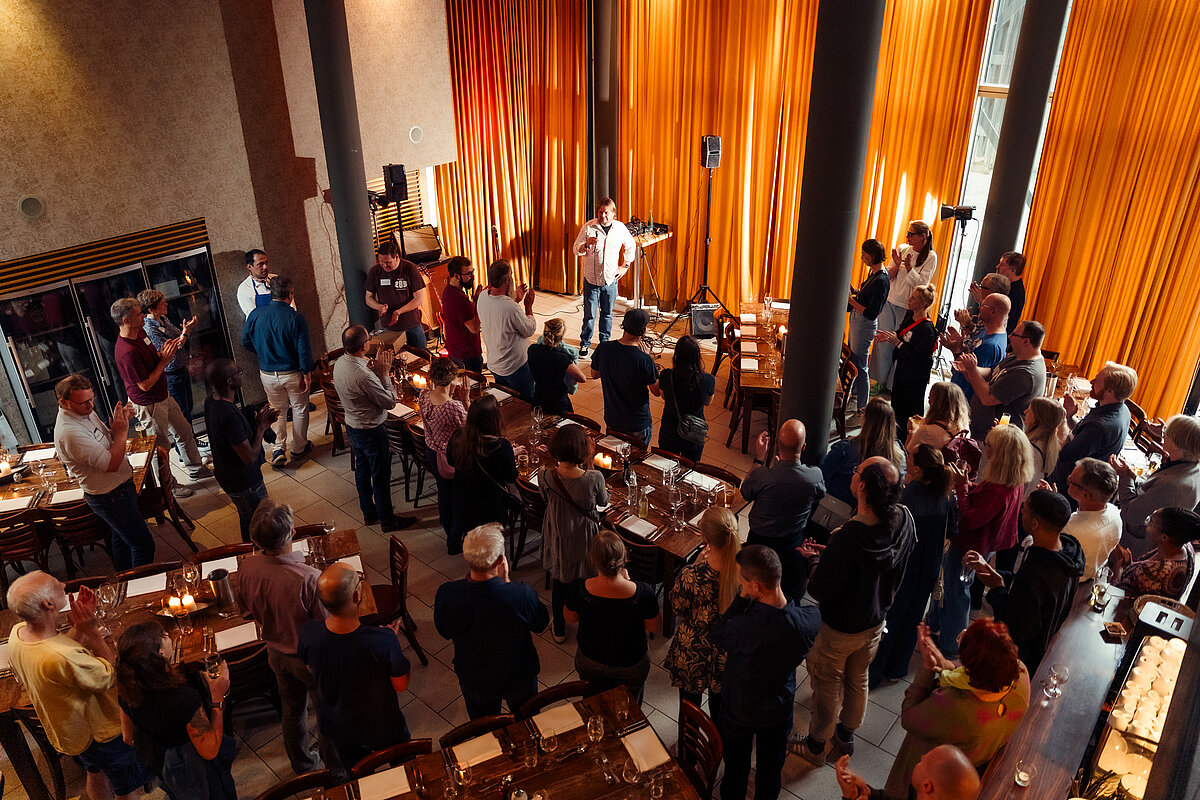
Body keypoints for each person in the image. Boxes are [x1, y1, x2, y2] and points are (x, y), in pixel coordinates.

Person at [792, 457, 915, 766]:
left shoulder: (847, 538)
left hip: (839, 629)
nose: (855, 469)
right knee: (858, 678)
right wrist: (832, 554)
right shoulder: (904, 518)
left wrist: (814, 560)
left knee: (827, 685)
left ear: (861, 486)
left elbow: (820, 589)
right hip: (875, 621)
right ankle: (846, 736)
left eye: (858, 469)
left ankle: (816, 746)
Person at [7, 572, 145, 800]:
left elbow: (62, 656)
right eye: (56, 584)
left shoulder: (18, 633)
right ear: (48, 604)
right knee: (126, 784)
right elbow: (110, 676)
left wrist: (80, 628)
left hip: (74, 731)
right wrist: (93, 634)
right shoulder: (61, 657)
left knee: (95, 771)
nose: (63, 584)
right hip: (102, 731)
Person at [711, 546, 818, 800]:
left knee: (736, 768)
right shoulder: (808, 621)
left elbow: (719, 632)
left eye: (742, 581)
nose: (740, 584)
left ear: (756, 586)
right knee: (770, 770)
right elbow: (805, 612)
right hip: (778, 708)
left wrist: (741, 600)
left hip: (740, 708)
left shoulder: (743, 628)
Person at [882, 619, 1028, 799]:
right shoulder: (1021, 675)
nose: (964, 630)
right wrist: (947, 665)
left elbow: (909, 717)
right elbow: (977, 677)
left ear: (971, 668)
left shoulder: (956, 705)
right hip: (971, 769)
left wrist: (927, 668)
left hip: (937, 776)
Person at [236, 500, 332, 775]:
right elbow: (325, 629)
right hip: (309, 660)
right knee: (326, 712)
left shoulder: (247, 569)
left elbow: (245, 612)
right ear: (292, 533)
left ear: (255, 540)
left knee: (292, 711)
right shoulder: (310, 579)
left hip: (276, 654)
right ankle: (334, 767)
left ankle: (302, 765)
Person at [932, 424, 1034, 658]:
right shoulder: (1012, 478)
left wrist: (962, 487)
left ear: (1000, 453)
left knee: (957, 592)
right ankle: (937, 625)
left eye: (988, 445)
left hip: (970, 545)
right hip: (986, 544)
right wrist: (969, 485)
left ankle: (951, 644)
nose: (985, 449)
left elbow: (972, 519)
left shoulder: (998, 489)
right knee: (954, 587)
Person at [299, 562, 411, 774]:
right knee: (406, 770)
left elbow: (310, 668)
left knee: (359, 777)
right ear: (357, 596)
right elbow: (401, 684)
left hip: (340, 727)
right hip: (384, 725)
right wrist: (388, 642)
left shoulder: (309, 634)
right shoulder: (382, 640)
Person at [434, 524, 550, 718]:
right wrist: (507, 583)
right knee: (527, 725)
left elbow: (444, 630)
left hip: (475, 679)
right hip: (518, 676)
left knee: (485, 729)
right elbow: (541, 623)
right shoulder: (521, 595)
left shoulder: (447, 594)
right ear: (500, 560)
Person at [965, 489, 1084, 672]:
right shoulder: (1069, 550)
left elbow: (1014, 629)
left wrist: (997, 589)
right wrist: (997, 574)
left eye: (1025, 509)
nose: (1021, 510)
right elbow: (1029, 592)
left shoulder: (1037, 573)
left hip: (1023, 660)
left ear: (1035, 523)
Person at [870, 444, 958, 688]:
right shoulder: (946, 495)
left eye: (910, 456)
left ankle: (875, 672)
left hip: (904, 567)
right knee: (913, 619)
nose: (906, 457)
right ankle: (897, 668)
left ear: (918, 469)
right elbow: (952, 530)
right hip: (929, 567)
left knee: (891, 619)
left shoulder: (906, 496)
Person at [116, 621, 236, 800]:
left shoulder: (127, 690)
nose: (168, 636)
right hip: (196, 767)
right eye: (164, 635)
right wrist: (217, 699)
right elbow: (209, 750)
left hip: (164, 765)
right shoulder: (183, 699)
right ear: (161, 654)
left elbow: (128, 737)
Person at [53, 373, 156, 569]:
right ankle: (142, 584)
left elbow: (106, 440)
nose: (90, 406)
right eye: (83, 402)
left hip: (119, 489)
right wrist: (123, 431)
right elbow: (111, 464)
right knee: (143, 545)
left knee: (122, 540)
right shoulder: (69, 432)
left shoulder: (84, 411)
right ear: (64, 403)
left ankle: (125, 579)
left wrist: (117, 426)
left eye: (92, 399)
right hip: (110, 496)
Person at [111, 297, 209, 485]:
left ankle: (197, 470)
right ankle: (169, 487)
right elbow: (144, 385)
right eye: (139, 314)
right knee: (160, 448)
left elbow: (153, 357)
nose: (143, 316)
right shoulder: (127, 351)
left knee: (184, 431)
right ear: (126, 320)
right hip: (149, 403)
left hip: (163, 394)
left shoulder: (140, 332)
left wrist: (163, 353)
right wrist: (164, 361)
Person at [332, 325, 415, 532]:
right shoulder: (363, 375)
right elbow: (389, 402)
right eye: (369, 339)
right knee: (380, 475)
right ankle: (387, 520)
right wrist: (384, 373)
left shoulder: (340, 363)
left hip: (353, 425)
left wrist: (375, 369)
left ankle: (369, 513)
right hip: (371, 430)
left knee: (362, 471)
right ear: (364, 346)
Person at [664, 506, 741, 724]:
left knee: (689, 709)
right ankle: (715, 741)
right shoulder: (744, 574)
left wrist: (695, 564)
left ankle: (688, 743)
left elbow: (677, 607)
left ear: (705, 538)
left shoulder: (692, 574)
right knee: (720, 711)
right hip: (726, 653)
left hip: (693, 650)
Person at [563, 532, 660, 701]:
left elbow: (569, 618)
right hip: (631, 662)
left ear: (593, 559)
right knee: (630, 706)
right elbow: (655, 628)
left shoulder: (579, 588)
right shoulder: (643, 592)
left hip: (590, 658)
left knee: (593, 702)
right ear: (624, 557)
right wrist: (629, 582)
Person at [539, 424, 609, 642]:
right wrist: (590, 464)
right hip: (582, 535)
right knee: (584, 581)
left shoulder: (545, 475)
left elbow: (545, 498)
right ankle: (585, 622)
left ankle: (559, 626)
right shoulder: (594, 478)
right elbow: (603, 502)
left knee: (560, 581)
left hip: (557, 532)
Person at [742, 420, 826, 600]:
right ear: (804, 447)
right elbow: (820, 495)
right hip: (792, 546)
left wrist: (759, 459)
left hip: (757, 543)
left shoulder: (762, 475)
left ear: (776, 443)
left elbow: (745, 492)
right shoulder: (814, 477)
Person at [242, 276, 315, 466]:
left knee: (276, 410)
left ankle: (278, 449)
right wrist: (307, 373)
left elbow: (245, 341)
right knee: (299, 409)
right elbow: (304, 350)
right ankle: (299, 448)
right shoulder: (296, 318)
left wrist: (263, 352)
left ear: (271, 294)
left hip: (267, 373)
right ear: (290, 294)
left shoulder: (255, 315)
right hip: (292, 372)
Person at [203, 359, 276, 543]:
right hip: (244, 482)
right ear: (230, 381)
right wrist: (261, 427)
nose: (240, 374)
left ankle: (248, 551)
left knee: (247, 518)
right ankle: (256, 553)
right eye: (238, 372)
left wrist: (251, 418)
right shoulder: (229, 416)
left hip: (227, 475)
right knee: (260, 524)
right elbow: (249, 458)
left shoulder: (211, 401)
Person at [1111, 414, 1200, 555]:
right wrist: (1165, 434)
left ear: (1178, 445)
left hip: (1135, 543)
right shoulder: (1194, 465)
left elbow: (1131, 513)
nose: (1163, 435)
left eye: (1166, 433)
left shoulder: (1171, 485)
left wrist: (1125, 476)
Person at [1047, 362, 1137, 495]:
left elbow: (1065, 454)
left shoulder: (1100, 426)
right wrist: (1071, 417)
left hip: (1070, 486)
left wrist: (1063, 418)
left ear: (1110, 391)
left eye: (1097, 381)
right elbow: (1084, 435)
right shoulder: (1122, 409)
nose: (1091, 383)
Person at [446, 394, 519, 555]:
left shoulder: (458, 437)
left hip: (462, 500)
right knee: (490, 549)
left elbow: (451, 461)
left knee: (471, 536)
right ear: (494, 419)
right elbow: (511, 477)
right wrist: (510, 456)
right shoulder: (501, 447)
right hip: (489, 508)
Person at [870, 220, 937, 394]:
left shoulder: (930, 256)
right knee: (882, 341)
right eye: (907, 233)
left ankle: (893, 385)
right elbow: (887, 276)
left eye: (911, 234)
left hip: (908, 306)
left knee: (900, 344)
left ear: (922, 237)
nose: (907, 237)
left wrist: (908, 268)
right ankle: (878, 381)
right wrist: (897, 263)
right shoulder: (903, 248)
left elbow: (922, 285)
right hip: (889, 300)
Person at [957, 320, 1047, 440]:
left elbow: (988, 398)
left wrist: (972, 370)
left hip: (995, 438)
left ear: (1026, 341)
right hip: (982, 431)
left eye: (1014, 334)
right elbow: (992, 372)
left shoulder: (1026, 374)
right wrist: (969, 368)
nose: (1009, 336)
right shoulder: (1018, 356)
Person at [573, 197, 637, 358]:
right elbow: (575, 249)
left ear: (613, 214)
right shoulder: (589, 227)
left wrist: (625, 266)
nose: (603, 216)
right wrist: (586, 245)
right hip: (591, 280)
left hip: (610, 281)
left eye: (606, 213)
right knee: (589, 316)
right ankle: (585, 343)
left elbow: (631, 246)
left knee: (607, 315)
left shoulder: (620, 228)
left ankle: (604, 344)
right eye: (600, 212)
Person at [589, 307, 661, 446]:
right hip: (637, 423)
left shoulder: (604, 348)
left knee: (614, 456)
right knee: (637, 457)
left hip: (613, 419)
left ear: (624, 326)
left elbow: (594, 374)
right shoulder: (644, 360)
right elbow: (656, 391)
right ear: (644, 330)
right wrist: (648, 358)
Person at [874, 284, 938, 438]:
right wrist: (889, 335)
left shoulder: (927, 330)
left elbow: (920, 358)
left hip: (914, 379)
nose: (909, 299)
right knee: (896, 406)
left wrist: (898, 343)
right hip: (902, 371)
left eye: (913, 298)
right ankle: (894, 436)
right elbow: (901, 333)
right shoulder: (910, 316)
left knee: (908, 412)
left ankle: (905, 441)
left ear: (923, 304)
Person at [822, 400, 905, 511]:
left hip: (840, 509)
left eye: (863, 412)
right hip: (880, 512)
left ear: (865, 420)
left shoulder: (845, 449)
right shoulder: (900, 454)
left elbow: (822, 476)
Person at [418, 357, 469, 538]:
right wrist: (466, 399)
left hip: (431, 450)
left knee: (444, 492)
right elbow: (470, 428)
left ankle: (446, 524)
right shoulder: (452, 407)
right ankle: (454, 535)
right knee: (456, 496)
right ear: (453, 378)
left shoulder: (424, 395)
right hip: (450, 457)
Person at [1109, 506, 1199, 600]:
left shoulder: (1153, 573)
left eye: (1151, 521)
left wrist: (1118, 565)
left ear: (1164, 537)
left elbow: (1115, 594)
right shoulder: (1184, 547)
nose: (1147, 522)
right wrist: (1130, 565)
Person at [476, 259, 537, 398]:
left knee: (506, 400)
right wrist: (528, 307)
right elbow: (529, 330)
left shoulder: (483, 296)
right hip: (515, 367)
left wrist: (515, 299)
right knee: (526, 403)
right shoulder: (511, 307)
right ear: (507, 281)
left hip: (495, 365)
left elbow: (500, 313)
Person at [845, 239, 890, 418]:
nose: (862, 257)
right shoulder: (874, 274)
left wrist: (850, 300)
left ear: (872, 255)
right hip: (858, 321)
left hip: (864, 324)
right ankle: (855, 398)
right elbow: (866, 296)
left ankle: (862, 409)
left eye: (864, 254)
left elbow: (872, 312)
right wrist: (854, 291)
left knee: (861, 366)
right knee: (854, 361)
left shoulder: (881, 279)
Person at [138, 288, 198, 420]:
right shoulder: (149, 328)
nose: (166, 304)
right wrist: (185, 334)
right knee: (182, 413)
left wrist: (185, 331)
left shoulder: (163, 319)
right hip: (172, 375)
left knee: (189, 407)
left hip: (182, 369)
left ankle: (191, 433)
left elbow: (178, 336)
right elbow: (171, 349)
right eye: (162, 304)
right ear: (151, 310)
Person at [837, 745, 979, 800]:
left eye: (925, 761)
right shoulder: (918, 794)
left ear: (927, 786)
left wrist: (849, 797)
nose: (922, 757)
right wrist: (866, 793)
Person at [658, 335, 717, 462]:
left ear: (676, 355)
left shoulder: (666, 375)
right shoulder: (707, 380)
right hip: (694, 431)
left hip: (670, 429)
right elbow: (708, 402)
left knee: (665, 464)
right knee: (691, 467)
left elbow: (663, 396)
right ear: (698, 356)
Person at [943, 293, 1010, 403]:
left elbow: (971, 377)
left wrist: (957, 351)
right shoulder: (986, 332)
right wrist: (960, 347)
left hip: (961, 400)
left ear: (993, 311)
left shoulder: (991, 346)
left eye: (983, 305)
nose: (979, 307)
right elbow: (968, 355)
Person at [1062, 457, 1122, 579]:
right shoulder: (1114, 513)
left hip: (1070, 582)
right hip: (1092, 576)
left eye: (1071, 481)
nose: (1067, 478)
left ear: (1086, 495)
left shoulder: (1072, 532)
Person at [364, 240, 427, 350]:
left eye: (388, 262)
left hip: (411, 324)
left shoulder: (410, 269)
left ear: (397, 257)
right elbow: (368, 298)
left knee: (421, 354)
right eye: (381, 262)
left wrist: (399, 311)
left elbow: (418, 299)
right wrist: (379, 307)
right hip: (389, 327)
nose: (384, 266)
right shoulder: (375, 271)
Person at [527, 318, 587, 414]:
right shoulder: (562, 358)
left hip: (538, 396)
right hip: (557, 401)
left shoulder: (532, 349)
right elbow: (582, 378)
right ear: (561, 336)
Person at [441, 256, 484, 372]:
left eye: (472, 272)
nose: (472, 276)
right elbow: (474, 328)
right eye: (469, 274)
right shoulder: (459, 298)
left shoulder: (447, 290)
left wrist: (474, 302)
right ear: (456, 276)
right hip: (467, 355)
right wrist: (478, 301)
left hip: (456, 351)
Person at [905, 382, 970, 454]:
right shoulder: (965, 427)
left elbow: (907, 453)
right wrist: (923, 420)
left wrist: (912, 432)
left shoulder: (925, 431)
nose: (928, 401)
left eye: (930, 397)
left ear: (937, 403)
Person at [1022, 397, 1068, 490]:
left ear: (1036, 419)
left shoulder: (1031, 450)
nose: (1025, 412)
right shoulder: (1049, 445)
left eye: (1029, 411)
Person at [996, 251, 1027, 335]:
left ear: (1013, 270)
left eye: (1002, 265)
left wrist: (981, 301)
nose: (997, 267)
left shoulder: (1016, 292)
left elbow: (999, 318)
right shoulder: (1006, 285)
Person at [237, 249, 275, 316]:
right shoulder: (245, 288)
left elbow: (290, 306)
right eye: (260, 264)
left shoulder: (276, 279)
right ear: (249, 266)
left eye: (266, 263)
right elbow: (254, 316)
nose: (265, 267)